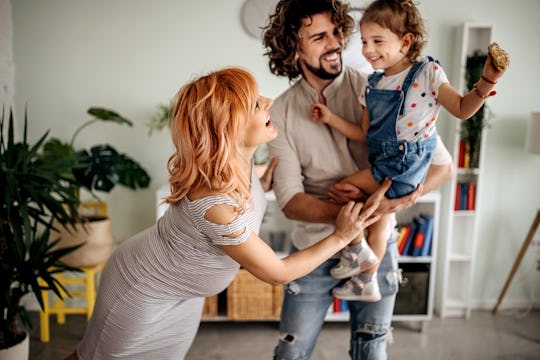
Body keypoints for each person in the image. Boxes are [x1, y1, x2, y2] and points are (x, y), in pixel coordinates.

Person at [64, 67, 385, 360]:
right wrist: (341, 235)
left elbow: (241, 195)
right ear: (229, 127)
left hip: (183, 293)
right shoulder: (216, 205)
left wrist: (261, 181)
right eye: (256, 105)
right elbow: (277, 272)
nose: (268, 101)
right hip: (142, 290)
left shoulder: (234, 163)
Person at [262, 0, 453, 358]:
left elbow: (442, 166)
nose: (335, 43)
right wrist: (348, 220)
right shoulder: (281, 111)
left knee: (371, 351)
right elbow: (290, 200)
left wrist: (400, 200)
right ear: (293, 46)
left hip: (378, 252)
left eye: (337, 32)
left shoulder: (385, 90)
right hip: (314, 252)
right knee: (291, 351)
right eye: (319, 36)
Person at [309, 0, 510, 302]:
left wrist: (486, 82)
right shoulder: (372, 83)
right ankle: (366, 280)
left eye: (378, 41)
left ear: (406, 41)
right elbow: (365, 134)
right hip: (386, 161)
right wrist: (331, 118)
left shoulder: (427, 72)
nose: (367, 49)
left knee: (343, 189)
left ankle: (354, 253)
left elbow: (461, 109)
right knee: (377, 224)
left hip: (403, 166)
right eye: (364, 41)